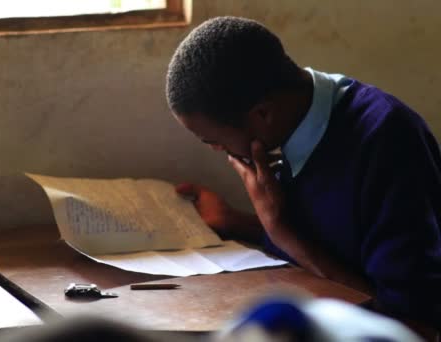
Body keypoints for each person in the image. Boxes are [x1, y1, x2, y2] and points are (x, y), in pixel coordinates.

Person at [165, 16, 441, 339]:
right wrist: (237, 221)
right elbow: (339, 240)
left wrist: (281, 232)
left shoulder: (387, 141)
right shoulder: (293, 119)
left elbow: (413, 325)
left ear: (262, 114)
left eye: (212, 140)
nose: (216, 150)